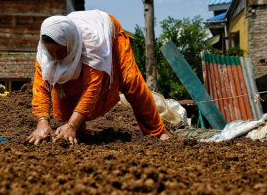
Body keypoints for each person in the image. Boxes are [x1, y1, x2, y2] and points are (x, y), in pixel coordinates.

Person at [27, 9, 170, 145]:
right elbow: (41, 88)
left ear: (71, 44)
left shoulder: (93, 46)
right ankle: (79, 129)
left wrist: (71, 124)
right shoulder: (44, 55)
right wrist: (42, 123)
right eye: (50, 51)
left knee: (130, 80)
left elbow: (92, 87)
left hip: (110, 33)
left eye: (60, 51)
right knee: (66, 89)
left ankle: (157, 131)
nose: (55, 57)